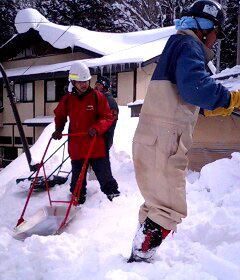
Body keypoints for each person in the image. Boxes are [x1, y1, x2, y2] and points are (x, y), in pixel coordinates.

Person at [128, 0, 240, 263]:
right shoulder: (190, 45)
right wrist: (230, 100)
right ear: (205, 27)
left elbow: (181, 95)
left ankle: (138, 260)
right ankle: (140, 260)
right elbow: (195, 89)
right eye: (216, 33)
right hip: (164, 143)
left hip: (150, 139)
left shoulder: (176, 44)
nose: (216, 40)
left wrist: (208, 108)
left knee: (156, 206)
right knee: (169, 209)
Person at [52, 61, 120, 204]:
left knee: (105, 176)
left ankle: (114, 199)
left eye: (86, 81)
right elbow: (60, 114)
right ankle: (78, 199)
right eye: (80, 82)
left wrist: (96, 128)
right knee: (77, 179)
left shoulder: (97, 97)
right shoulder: (68, 100)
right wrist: (58, 129)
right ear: (73, 82)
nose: (84, 84)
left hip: (96, 145)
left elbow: (107, 117)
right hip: (77, 146)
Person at [95, 76, 119, 150]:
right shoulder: (97, 99)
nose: (96, 86)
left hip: (103, 139)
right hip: (94, 138)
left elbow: (110, 121)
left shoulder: (109, 101)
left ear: (104, 87)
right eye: (96, 84)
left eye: (99, 85)